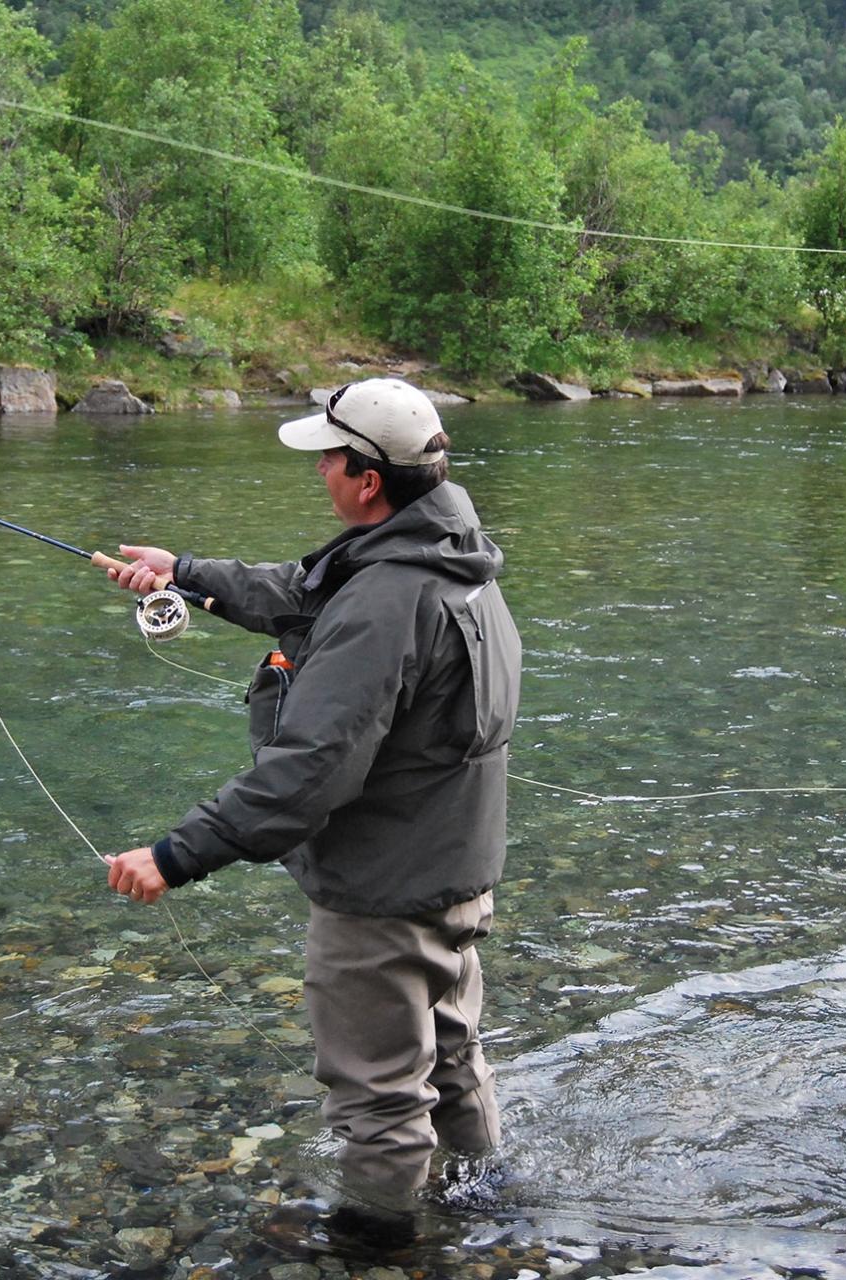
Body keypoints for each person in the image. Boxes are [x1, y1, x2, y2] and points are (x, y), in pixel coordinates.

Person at [101, 378, 522, 1246]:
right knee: (450, 1056)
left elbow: (307, 773)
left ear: (367, 479)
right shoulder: (449, 552)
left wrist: (175, 854)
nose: (320, 469)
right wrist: (185, 574)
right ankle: (487, 1214)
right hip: (453, 869)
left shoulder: (385, 601)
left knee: (376, 1091)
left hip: (381, 890)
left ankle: (377, 1244)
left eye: (329, 458)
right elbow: (302, 590)